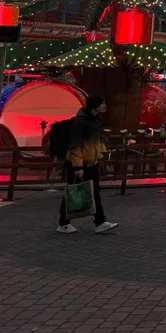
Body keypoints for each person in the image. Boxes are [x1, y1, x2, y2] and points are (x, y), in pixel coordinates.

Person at [57, 96, 118, 234]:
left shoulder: (96, 120)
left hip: (92, 162)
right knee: (73, 192)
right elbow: (75, 145)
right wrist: (77, 166)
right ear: (94, 105)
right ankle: (63, 223)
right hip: (78, 163)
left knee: (94, 192)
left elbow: (97, 141)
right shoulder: (80, 122)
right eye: (102, 103)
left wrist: (100, 155)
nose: (105, 106)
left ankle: (100, 222)